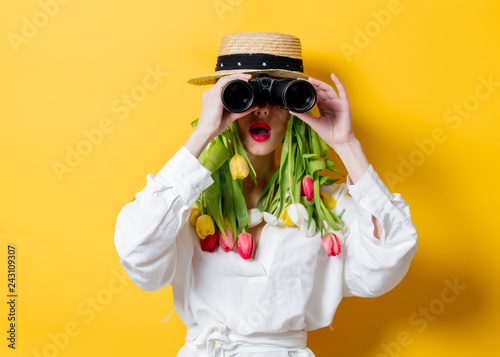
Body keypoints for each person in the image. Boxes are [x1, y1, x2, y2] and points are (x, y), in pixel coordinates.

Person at [114, 32, 418, 356]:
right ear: (219, 101)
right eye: (243, 94)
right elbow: (137, 254)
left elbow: (390, 256)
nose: (261, 109)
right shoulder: (189, 202)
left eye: (278, 94)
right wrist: (203, 133)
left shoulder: (321, 206)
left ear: (295, 108)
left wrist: (346, 144)